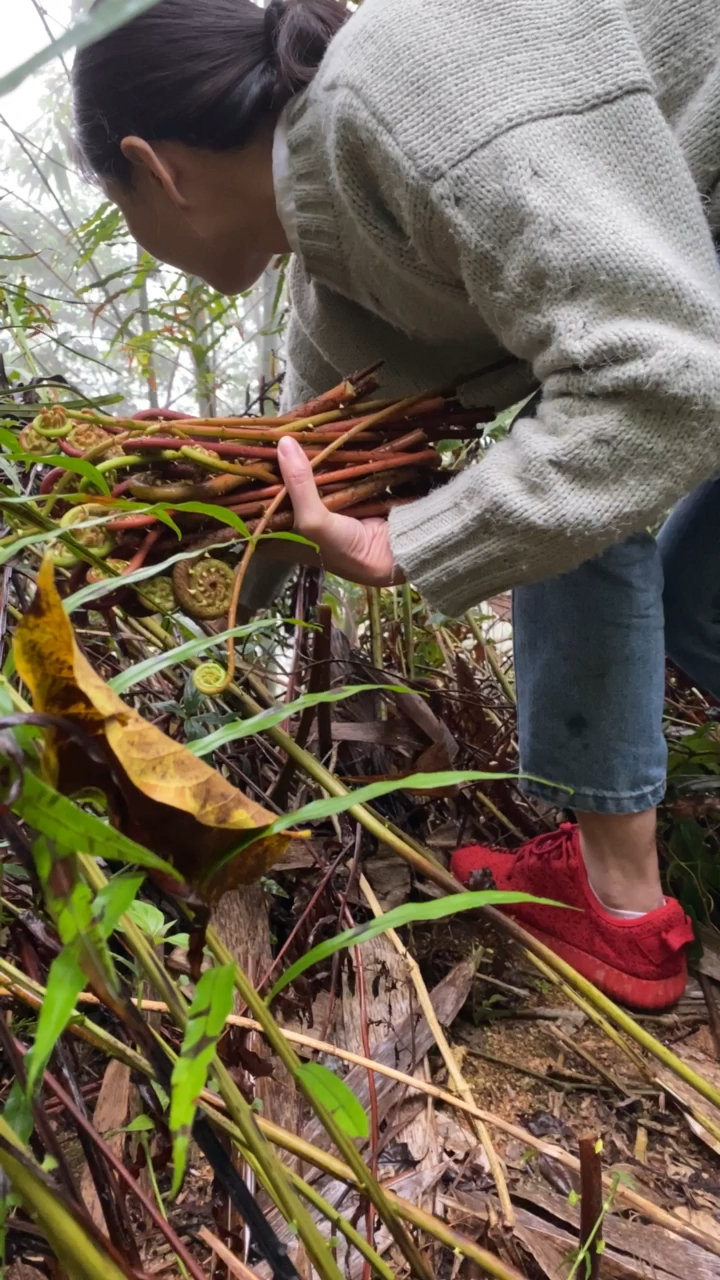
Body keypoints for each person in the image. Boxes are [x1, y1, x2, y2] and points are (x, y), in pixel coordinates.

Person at [71, 0, 720, 1009]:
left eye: (118, 207)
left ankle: (622, 906)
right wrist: (149, 642)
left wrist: (409, 541)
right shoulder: (333, 277)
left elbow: (655, 390)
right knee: (697, 611)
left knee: (579, 470)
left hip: (694, 314)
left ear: (158, 168)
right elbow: (294, 490)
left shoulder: (400, 95)